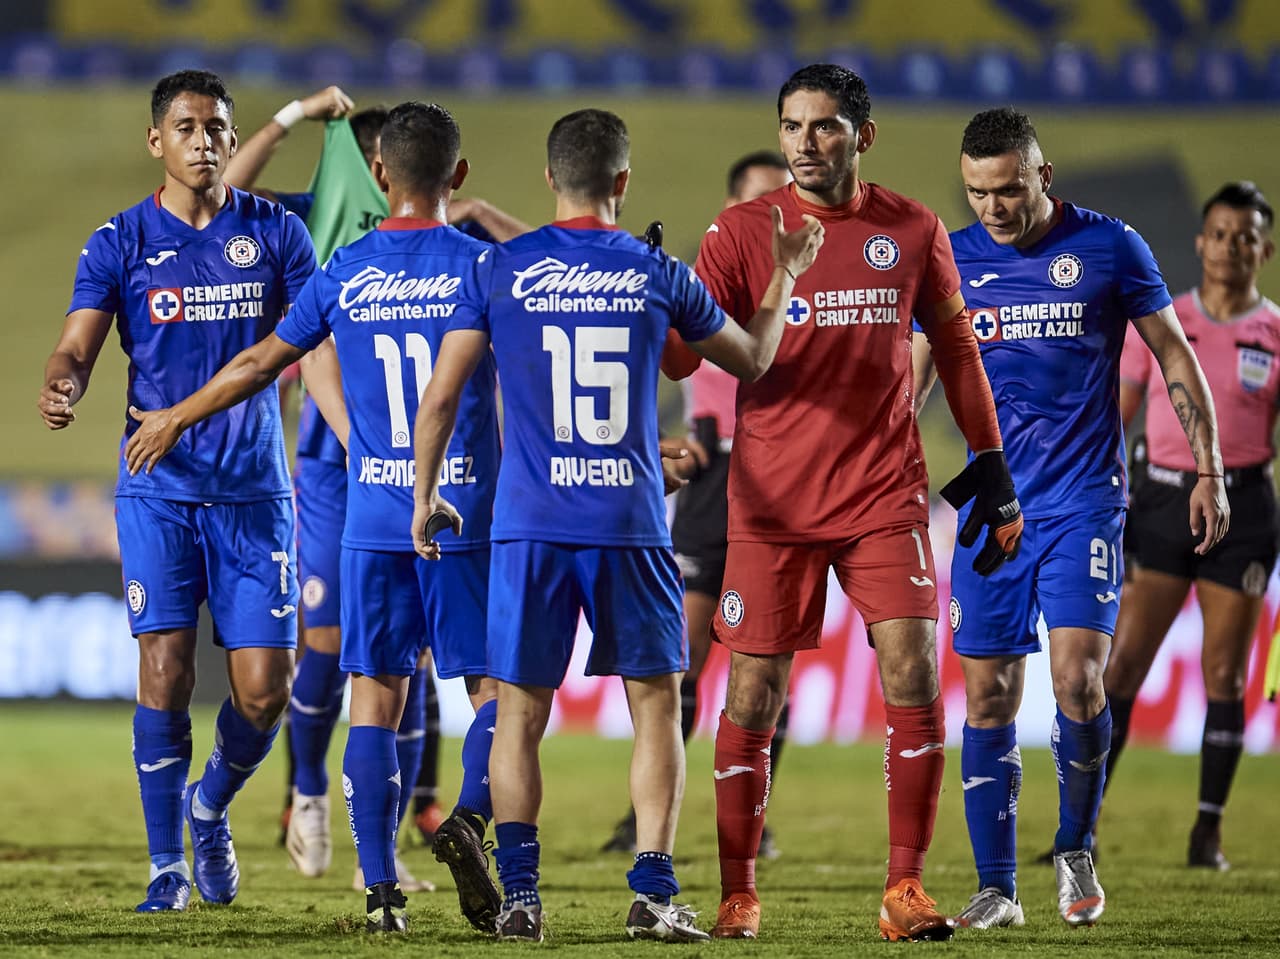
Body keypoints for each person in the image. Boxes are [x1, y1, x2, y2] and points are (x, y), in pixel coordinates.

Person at [410, 107, 823, 942]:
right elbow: (752, 358)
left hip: (528, 527)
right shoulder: (653, 269)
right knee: (657, 706)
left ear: (551, 181)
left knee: (519, 713)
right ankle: (652, 893)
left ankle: (522, 898)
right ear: (623, 183)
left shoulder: (499, 268)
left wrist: (426, 493)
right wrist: (783, 275)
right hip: (629, 524)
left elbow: (444, 394)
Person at [122, 100, 506, 935]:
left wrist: (176, 414)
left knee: (375, 695)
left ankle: (379, 896)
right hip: (460, 510)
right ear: (460, 176)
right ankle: (470, 819)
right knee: (493, 693)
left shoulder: (345, 272)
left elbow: (262, 360)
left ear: (378, 175)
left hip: (369, 511)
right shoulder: (482, 269)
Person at [675, 63, 1024, 943]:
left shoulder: (910, 228)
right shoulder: (741, 231)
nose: (804, 143)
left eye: (823, 126)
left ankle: (904, 888)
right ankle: (738, 891)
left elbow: (957, 352)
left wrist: (991, 464)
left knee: (912, 674)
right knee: (752, 693)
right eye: (791, 126)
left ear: (861, 136)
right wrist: (664, 305)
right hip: (771, 505)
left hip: (882, 493)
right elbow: (685, 361)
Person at [915, 107, 1229, 930]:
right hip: (991, 507)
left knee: (1078, 677)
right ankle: (996, 887)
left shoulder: (1109, 247)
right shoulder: (950, 259)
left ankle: (1075, 846)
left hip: (1084, 500)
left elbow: (1173, 355)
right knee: (986, 695)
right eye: (978, 192)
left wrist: (1210, 468)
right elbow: (905, 382)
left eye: (1008, 189)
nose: (993, 207)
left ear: (1041, 176)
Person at [37, 69, 316, 912]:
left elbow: (293, 353)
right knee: (162, 667)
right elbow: (76, 345)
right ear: (156, 141)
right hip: (157, 491)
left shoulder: (278, 235)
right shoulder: (117, 241)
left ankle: (208, 806)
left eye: (217, 128)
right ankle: (165, 865)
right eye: (186, 127)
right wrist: (64, 383)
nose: (203, 141)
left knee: (266, 689)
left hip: (254, 491)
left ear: (234, 140)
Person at [601, 150, 794, 859]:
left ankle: (754, 818)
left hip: (790, 467)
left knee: (771, 655)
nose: (775, 213)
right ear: (730, 209)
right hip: (714, 468)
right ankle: (642, 818)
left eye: (785, 197)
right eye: (758, 201)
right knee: (684, 647)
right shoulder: (704, 274)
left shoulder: (817, 278)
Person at [1104, 181, 1274, 871]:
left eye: (1246, 235)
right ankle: (1078, 828)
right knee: (1120, 667)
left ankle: (1207, 831)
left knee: (1226, 674)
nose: (1232, 245)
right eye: (1221, 232)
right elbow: (1117, 412)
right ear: (1201, 242)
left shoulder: (1276, 334)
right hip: (1164, 502)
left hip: (1245, 508)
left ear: (1264, 248)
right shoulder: (1163, 320)